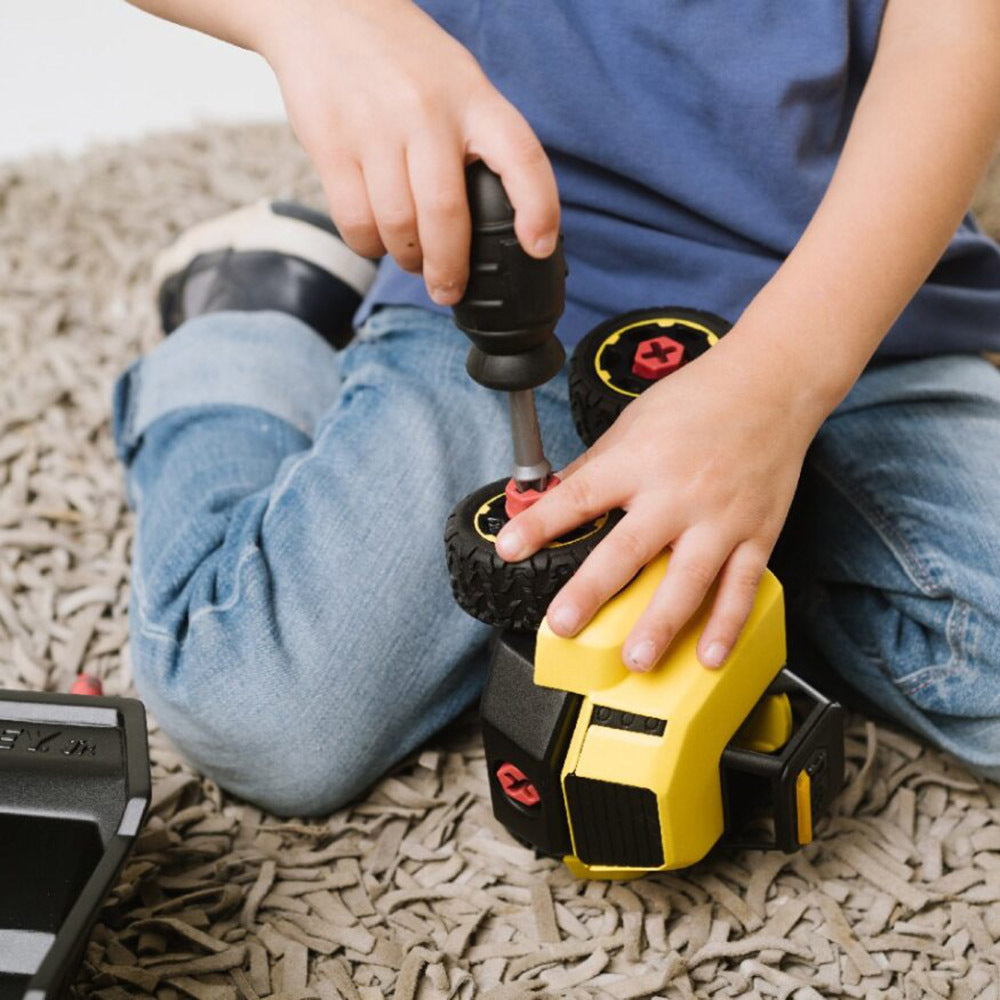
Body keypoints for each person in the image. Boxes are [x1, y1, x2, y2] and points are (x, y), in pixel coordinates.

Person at [116, 0, 1000, 815]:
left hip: (849, 294)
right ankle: (252, 317)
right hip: (504, 282)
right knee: (266, 710)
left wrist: (780, 385)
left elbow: (956, 28)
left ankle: (749, 528)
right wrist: (317, 20)